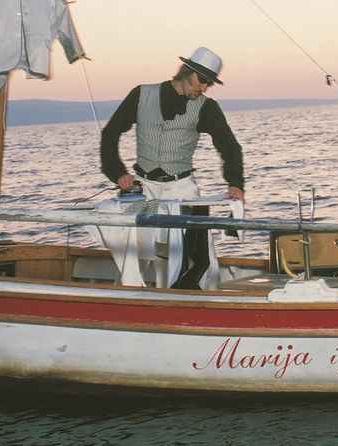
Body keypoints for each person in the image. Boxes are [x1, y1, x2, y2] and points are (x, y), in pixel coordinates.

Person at [97, 47, 245, 288]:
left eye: (209, 83)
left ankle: (200, 296)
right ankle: (128, 293)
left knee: (197, 252)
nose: (203, 87)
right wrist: (118, 173)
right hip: (145, 189)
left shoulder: (207, 107)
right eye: (201, 80)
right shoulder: (141, 95)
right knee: (134, 244)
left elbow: (230, 147)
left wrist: (235, 183)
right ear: (187, 71)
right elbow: (110, 133)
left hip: (181, 190)